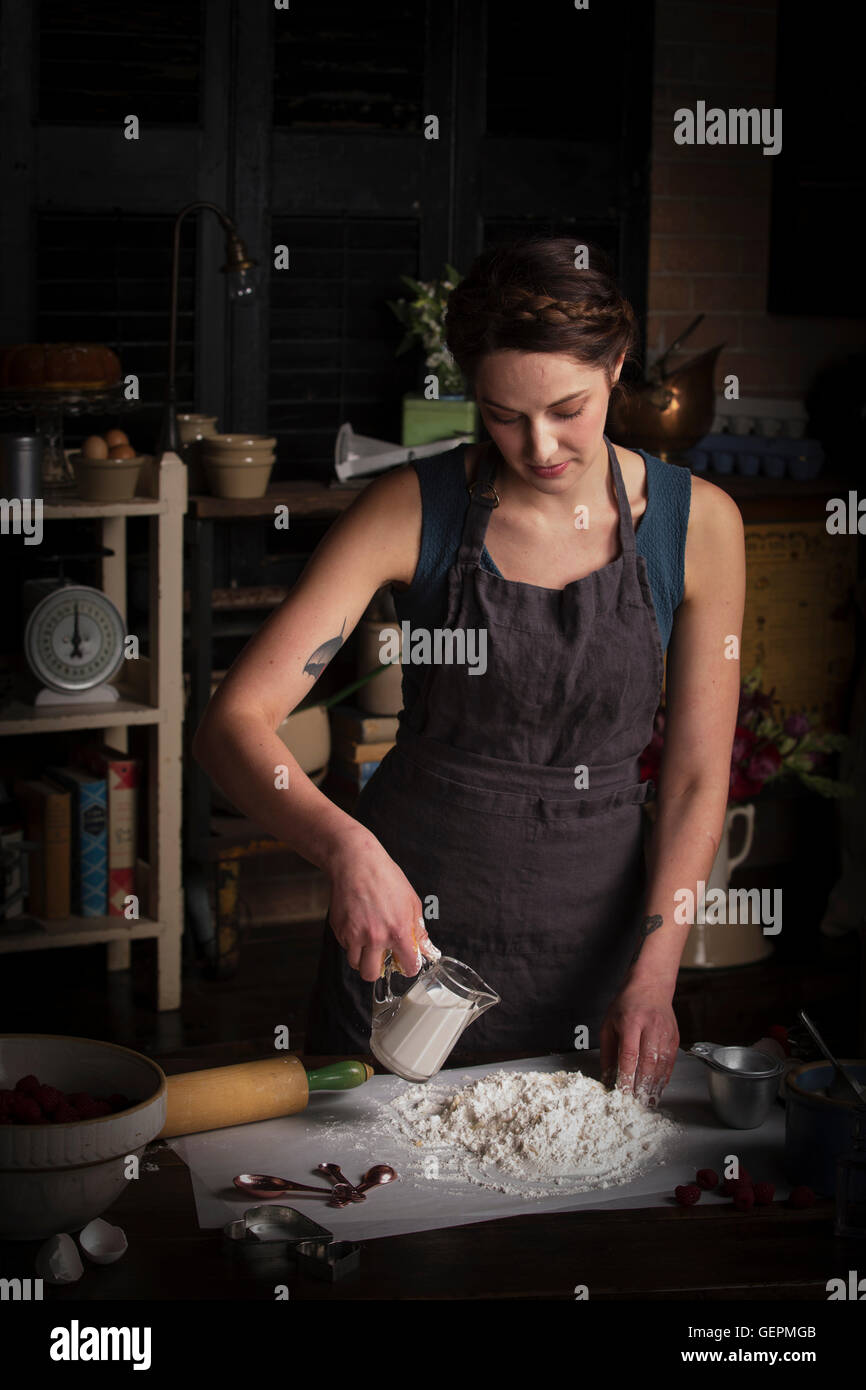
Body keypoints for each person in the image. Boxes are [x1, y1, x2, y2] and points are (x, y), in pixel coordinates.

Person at [193, 237, 745, 1105]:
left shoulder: (696, 524)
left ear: (618, 367)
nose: (539, 446)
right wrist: (346, 847)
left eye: (567, 408)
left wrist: (656, 975)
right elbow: (232, 726)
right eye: (501, 415)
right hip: (409, 939)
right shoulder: (411, 509)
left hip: (598, 948)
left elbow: (696, 779)